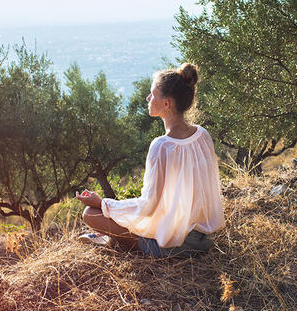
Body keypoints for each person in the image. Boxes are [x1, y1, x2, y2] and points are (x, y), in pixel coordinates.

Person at [76, 63, 226, 258]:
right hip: (204, 240)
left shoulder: (162, 146)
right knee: (114, 216)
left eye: (152, 94)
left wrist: (103, 203)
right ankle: (112, 239)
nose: (148, 98)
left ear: (166, 104)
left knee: (89, 214)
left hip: (175, 247)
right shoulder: (203, 135)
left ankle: (114, 240)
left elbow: (147, 206)